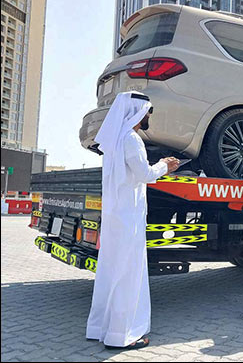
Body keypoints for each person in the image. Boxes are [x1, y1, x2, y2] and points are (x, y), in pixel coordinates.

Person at [86, 91, 179, 349]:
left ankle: (100, 328)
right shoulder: (132, 139)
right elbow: (145, 174)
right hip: (129, 218)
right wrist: (164, 165)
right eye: (148, 110)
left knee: (110, 272)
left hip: (116, 215)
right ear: (137, 111)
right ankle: (122, 335)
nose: (149, 115)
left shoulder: (114, 141)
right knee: (128, 274)